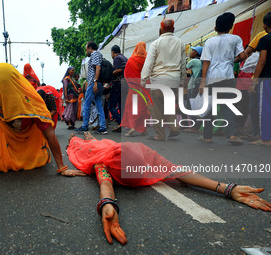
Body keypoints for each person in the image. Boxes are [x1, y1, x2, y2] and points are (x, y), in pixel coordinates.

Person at [67, 131, 271, 244]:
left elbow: (179, 172)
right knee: (81, 145)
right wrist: (106, 204)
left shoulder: (145, 154)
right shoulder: (103, 162)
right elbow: (105, 183)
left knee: (101, 141)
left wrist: (228, 188)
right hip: (98, 151)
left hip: (114, 148)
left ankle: (89, 136)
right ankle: (83, 137)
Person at [0, 63, 86, 178]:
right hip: (4, 161)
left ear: (15, 85)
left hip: (33, 157)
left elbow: (49, 133)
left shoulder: (30, 101)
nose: (3, 95)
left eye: (7, 89)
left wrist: (62, 168)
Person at [198, 12, 247, 144]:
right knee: (228, 106)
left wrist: (202, 83)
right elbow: (243, 56)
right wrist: (232, 61)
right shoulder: (235, 39)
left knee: (210, 108)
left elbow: (206, 63)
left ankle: (207, 137)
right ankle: (232, 135)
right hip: (228, 77)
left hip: (212, 78)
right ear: (230, 26)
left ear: (215, 28)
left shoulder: (209, 41)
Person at [141, 18, 186, 141]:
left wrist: (143, 80)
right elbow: (183, 64)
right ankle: (174, 128)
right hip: (174, 81)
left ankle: (159, 135)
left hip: (158, 81)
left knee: (157, 109)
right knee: (170, 106)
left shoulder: (156, 43)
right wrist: (182, 81)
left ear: (160, 30)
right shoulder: (180, 43)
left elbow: (149, 63)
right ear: (173, 29)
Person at [75, 42, 107, 135]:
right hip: (98, 83)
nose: (86, 51)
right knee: (99, 106)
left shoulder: (95, 54)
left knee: (86, 105)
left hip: (94, 83)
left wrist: (95, 82)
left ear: (89, 48)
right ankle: (103, 127)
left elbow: (98, 67)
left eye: (86, 49)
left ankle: (85, 126)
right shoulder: (99, 54)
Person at [250, 12, 271, 147]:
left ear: (264, 25)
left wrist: (254, 81)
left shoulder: (265, 39)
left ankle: (266, 139)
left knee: (265, 108)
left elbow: (262, 61)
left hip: (267, 78)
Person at [121, 42, 150, 137]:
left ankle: (133, 127)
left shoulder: (131, 60)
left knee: (132, 107)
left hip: (133, 88)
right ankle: (142, 129)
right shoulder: (147, 59)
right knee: (143, 107)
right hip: (144, 87)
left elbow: (126, 74)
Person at [183, 46, 203, 133]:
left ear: (197, 53)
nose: (191, 52)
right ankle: (197, 126)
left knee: (192, 106)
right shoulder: (201, 62)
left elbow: (183, 67)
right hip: (197, 85)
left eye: (193, 51)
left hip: (193, 86)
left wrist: (185, 58)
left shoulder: (194, 61)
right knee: (196, 105)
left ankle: (195, 127)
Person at [109, 45, 128, 132]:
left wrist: (111, 73)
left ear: (113, 52)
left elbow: (119, 70)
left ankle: (121, 123)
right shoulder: (125, 58)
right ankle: (123, 124)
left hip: (118, 84)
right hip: (125, 84)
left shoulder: (117, 58)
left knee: (111, 105)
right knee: (121, 106)